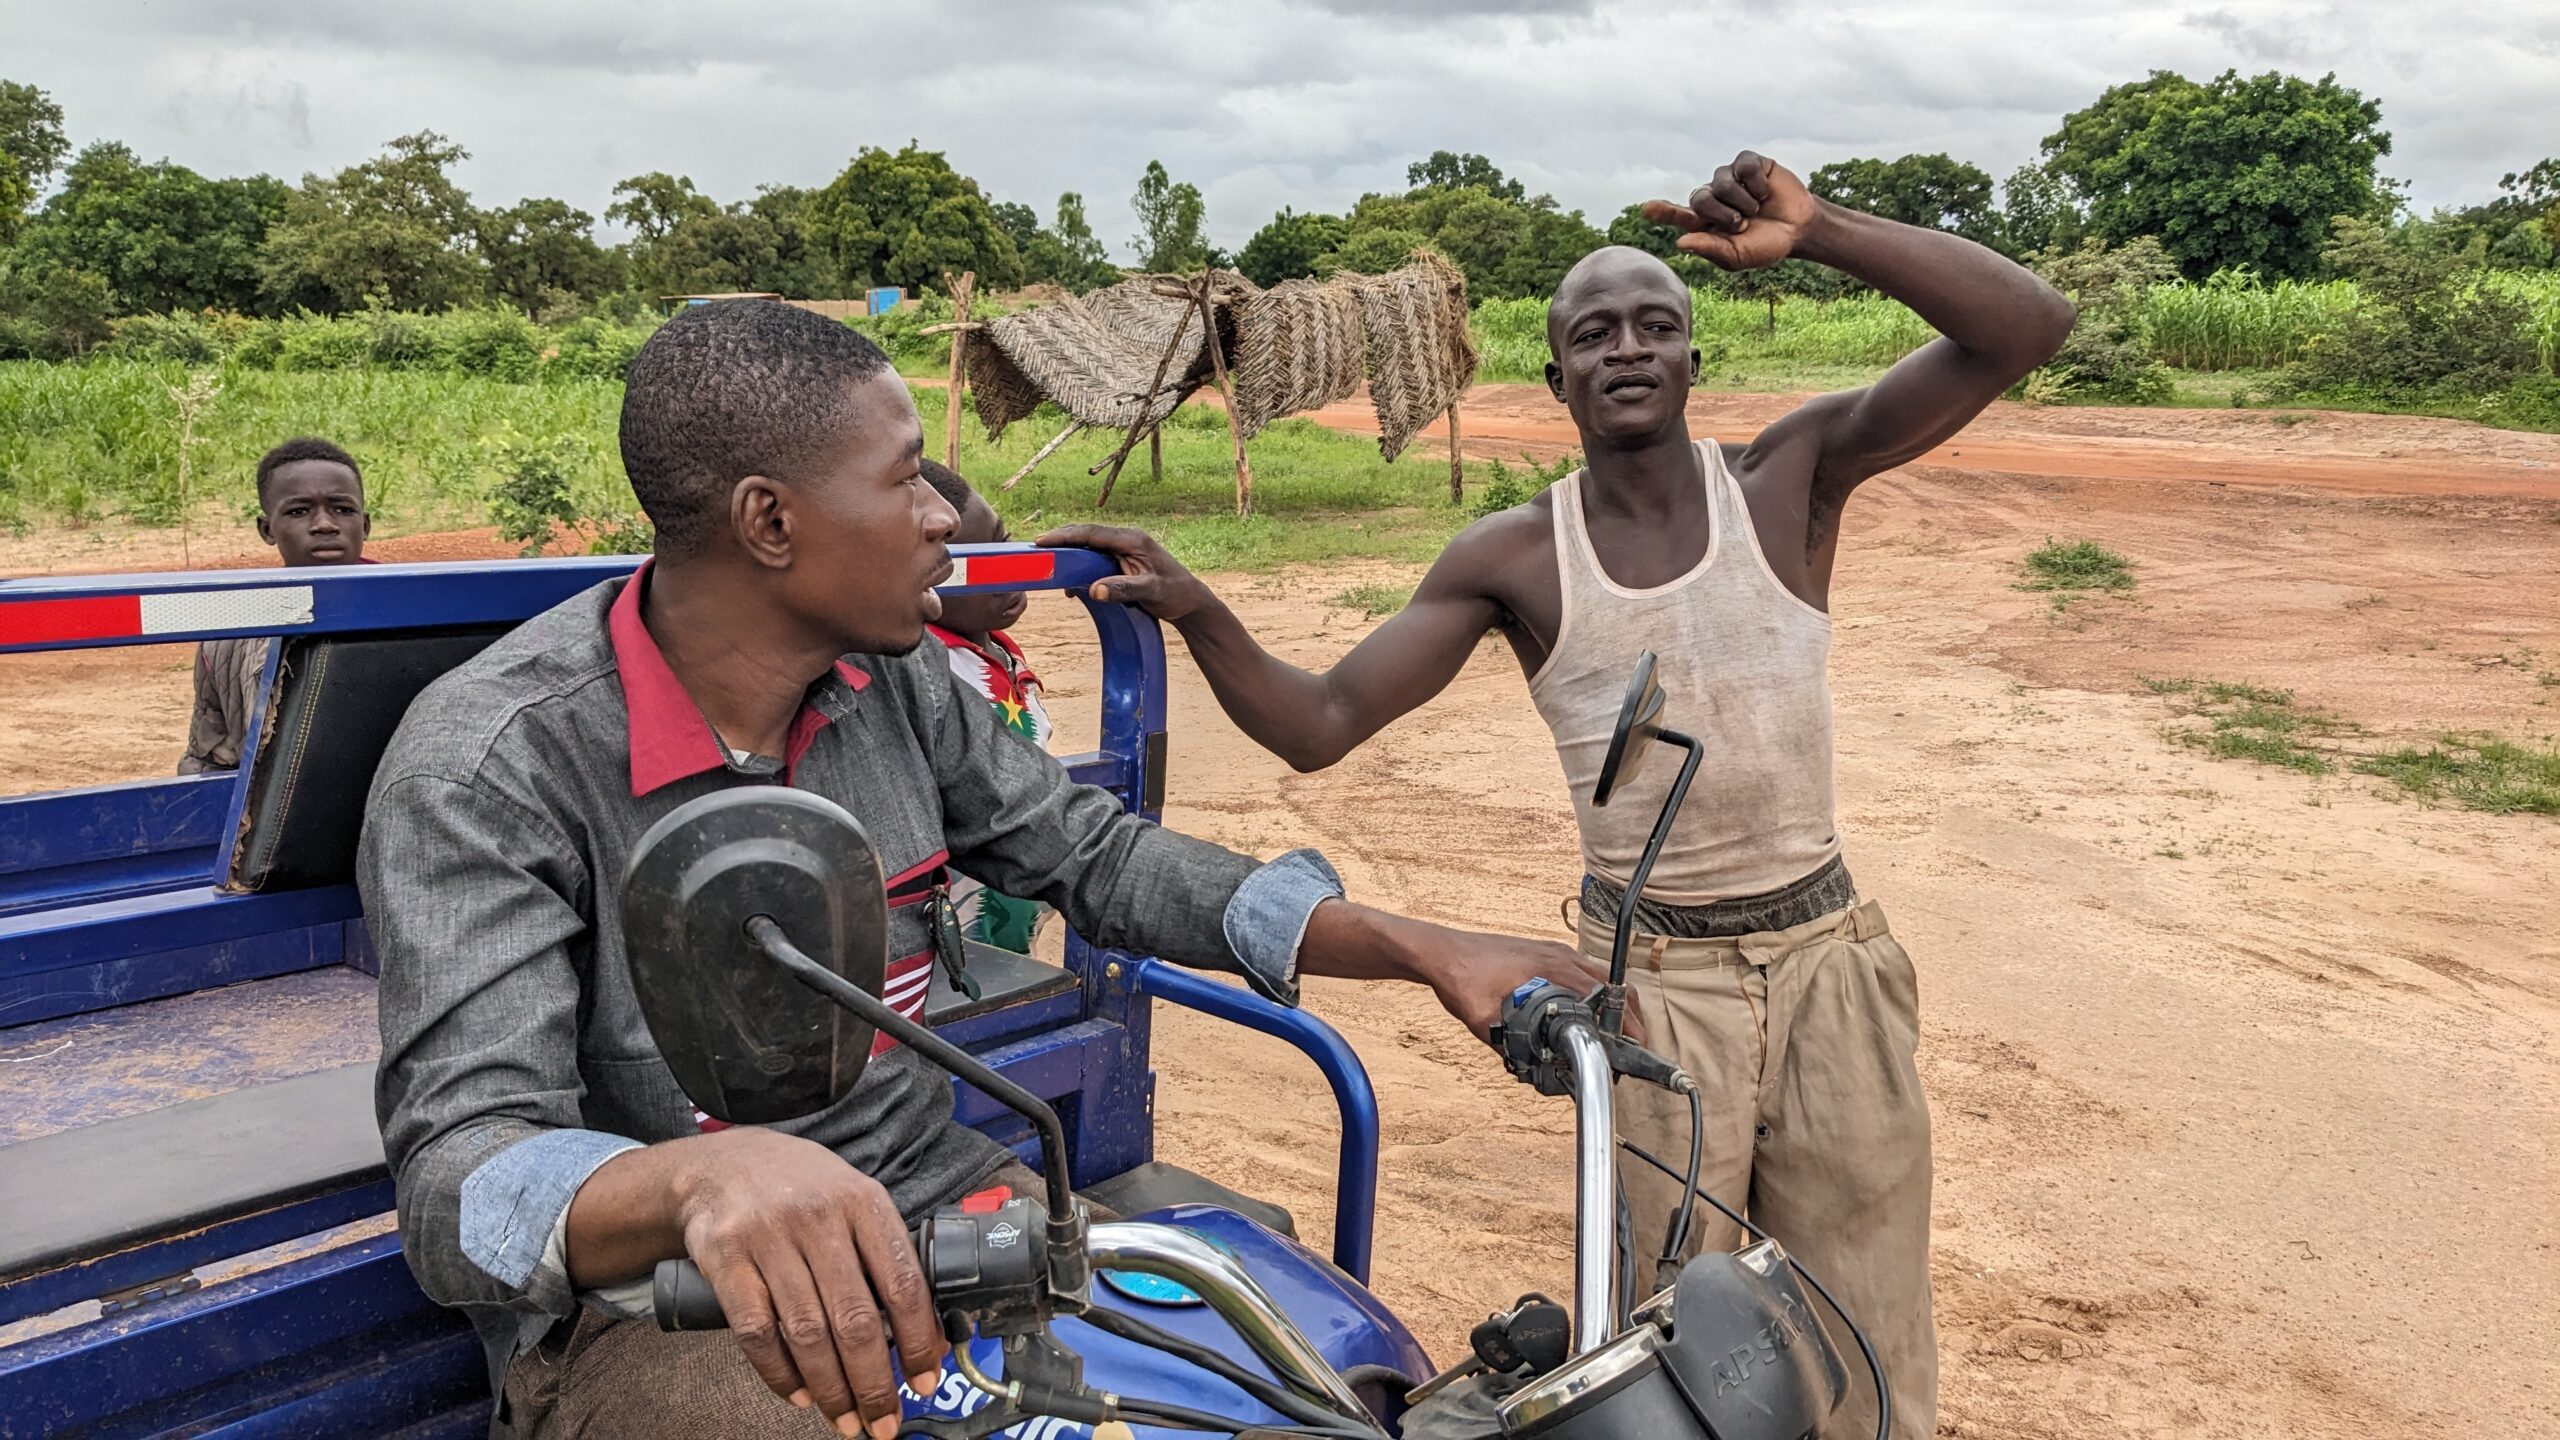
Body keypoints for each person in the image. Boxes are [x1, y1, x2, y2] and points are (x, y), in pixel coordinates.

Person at [358, 300, 1616, 1440]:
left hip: (947, 1207)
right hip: (673, 1312)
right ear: (770, 521)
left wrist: (1412, 944)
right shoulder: (488, 771)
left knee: (1293, 1381)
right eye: (907, 479)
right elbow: (459, 1175)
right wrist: (695, 1178)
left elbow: (1095, 855)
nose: (944, 516)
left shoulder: (893, 681)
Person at [1046, 151, 2077, 1439]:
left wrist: (1821, 233)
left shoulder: (1788, 479)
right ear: (1558, 377)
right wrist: (1203, 612)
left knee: (1866, 1324)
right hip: (1652, 987)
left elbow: (2027, 326)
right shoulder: (1518, 556)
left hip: (1829, 957)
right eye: (1594, 334)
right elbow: (1317, 724)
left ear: (1693, 359)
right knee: (1683, 1342)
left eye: (1657, 326)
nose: (1628, 349)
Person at [917, 458, 1051, 953]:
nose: (1006, 572)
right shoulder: (925, 665)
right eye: (971, 561)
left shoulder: (996, 649)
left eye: (1003, 539)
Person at [178, 437, 374, 774]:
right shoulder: (230, 633)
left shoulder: (421, 615)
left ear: (365, 525)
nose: (325, 524)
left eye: (342, 509)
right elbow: (209, 756)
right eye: (299, 511)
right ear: (268, 530)